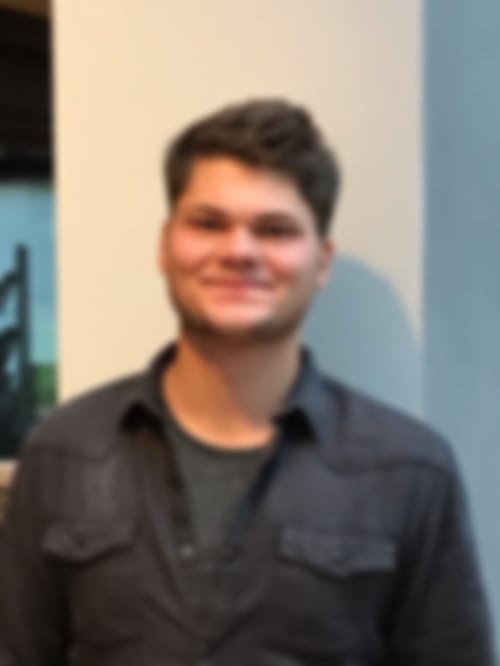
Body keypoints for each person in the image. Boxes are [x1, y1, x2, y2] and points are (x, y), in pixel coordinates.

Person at [0, 99, 495, 666]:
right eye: (209, 223)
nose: (238, 251)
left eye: (275, 230)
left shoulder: (409, 471)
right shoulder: (65, 453)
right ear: (166, 245)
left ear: (321, 262)